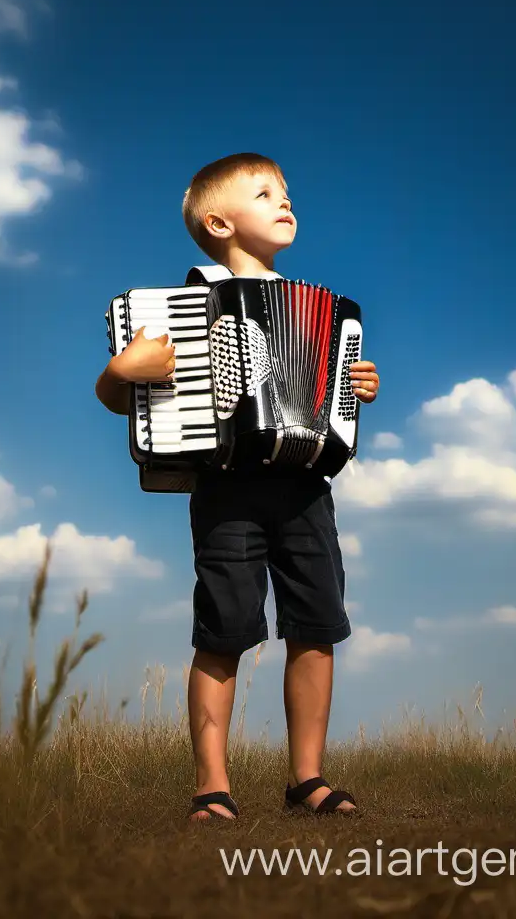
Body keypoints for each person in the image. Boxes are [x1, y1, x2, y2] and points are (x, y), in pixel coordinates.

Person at [95, 153, 380, 821]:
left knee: (316, 626)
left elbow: (330, 392)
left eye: (287, 193)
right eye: (266, 193)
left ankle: (305, 780)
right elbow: (116, 393)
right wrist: (123, 369)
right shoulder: (186, 303)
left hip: (306, 488)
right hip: (226, 488)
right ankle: (212, 786)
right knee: (225, 629)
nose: (286, 203)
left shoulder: (319, 308)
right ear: (220, 222)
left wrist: (355, 385)